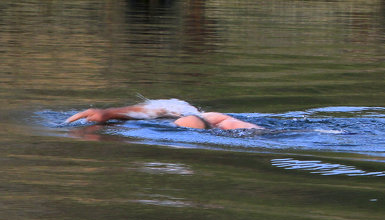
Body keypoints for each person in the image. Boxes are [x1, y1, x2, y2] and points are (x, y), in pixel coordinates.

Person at [66, 98, 262, 130]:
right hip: (203, 122)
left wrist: (108, 114)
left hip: (190, 125)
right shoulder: (182, 108)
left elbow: (152, 111)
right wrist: (108, 114)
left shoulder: (177, 109)